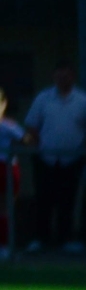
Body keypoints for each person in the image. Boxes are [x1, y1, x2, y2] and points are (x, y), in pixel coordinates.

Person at [22, 63, 86, 254]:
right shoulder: (43, 98)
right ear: (53, 77)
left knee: (68, 200)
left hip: (73, 160)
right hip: (45, 159)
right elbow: (31, 125)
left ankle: (66, 239)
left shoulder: (83, 100)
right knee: (43, 200)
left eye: (66, 76)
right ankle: (40, 238)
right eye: (58, 76)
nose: (62, 80)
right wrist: (39, 147)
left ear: (73, 77)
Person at [0, 88, 25, 257]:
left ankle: (5, 246)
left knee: (5, 208)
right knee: (4, 209)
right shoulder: (8, 125)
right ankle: (4, 246)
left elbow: (25, 140)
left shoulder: (8, 125)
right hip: (6, 167)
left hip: (6, 168)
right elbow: (26, 139)